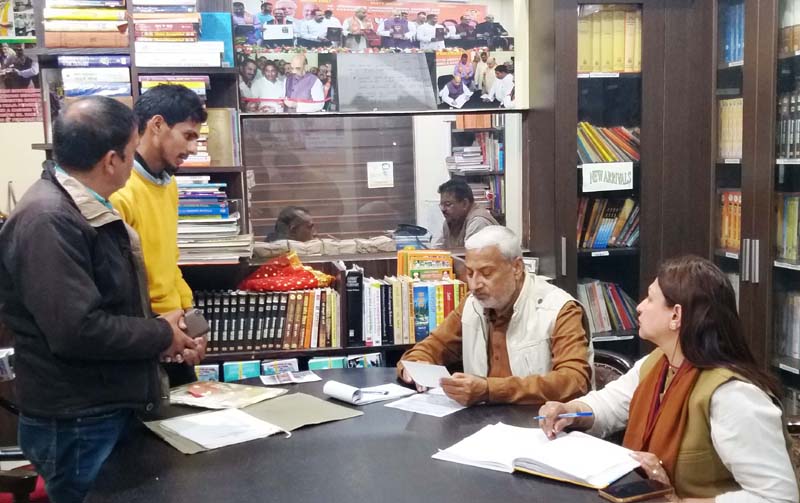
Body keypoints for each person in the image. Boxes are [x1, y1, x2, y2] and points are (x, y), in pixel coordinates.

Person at [0, 96, 199, 502]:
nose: (134, 162)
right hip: (77, 420)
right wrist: (161, 334)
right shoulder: (49, 220)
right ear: (111, 160)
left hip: (104, 406)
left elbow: (112, 304)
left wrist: (168, 330)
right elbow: (78, 329)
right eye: (131, 151)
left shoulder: (84, 207)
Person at [538, 256, 799, 502]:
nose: (639, 307)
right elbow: (611, 403)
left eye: (650, 299)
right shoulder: (658, 363)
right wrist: (571, 411)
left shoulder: (732, 395)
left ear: (676, 316)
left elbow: (777, 497)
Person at [398, 226, 593, 406]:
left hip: (542, 423)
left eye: (486, 273)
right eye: (470, 273)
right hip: (484, 422)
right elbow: (431, 347)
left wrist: (490, 389)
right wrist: (415, 366)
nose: (475, 285)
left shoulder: (559, 309)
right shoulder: (472, 304)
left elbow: (574, 381)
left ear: (516, 268)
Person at [109, 84, 209, 387]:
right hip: (146, 339)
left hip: (176, 329)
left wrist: (194, 325)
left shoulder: (168, 184)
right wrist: (164, 333)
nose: (193, 149)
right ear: (157, 125)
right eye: (188, 136)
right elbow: (119, 290)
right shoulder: (120, 191)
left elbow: (169, 262)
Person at [431, 179, 498, 248]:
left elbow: (471, 253)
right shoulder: (452, 220)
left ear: (465, 204)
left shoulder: (478, 222)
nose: (443, 209)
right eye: (441, 205)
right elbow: (438, 249)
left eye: (448, 204)